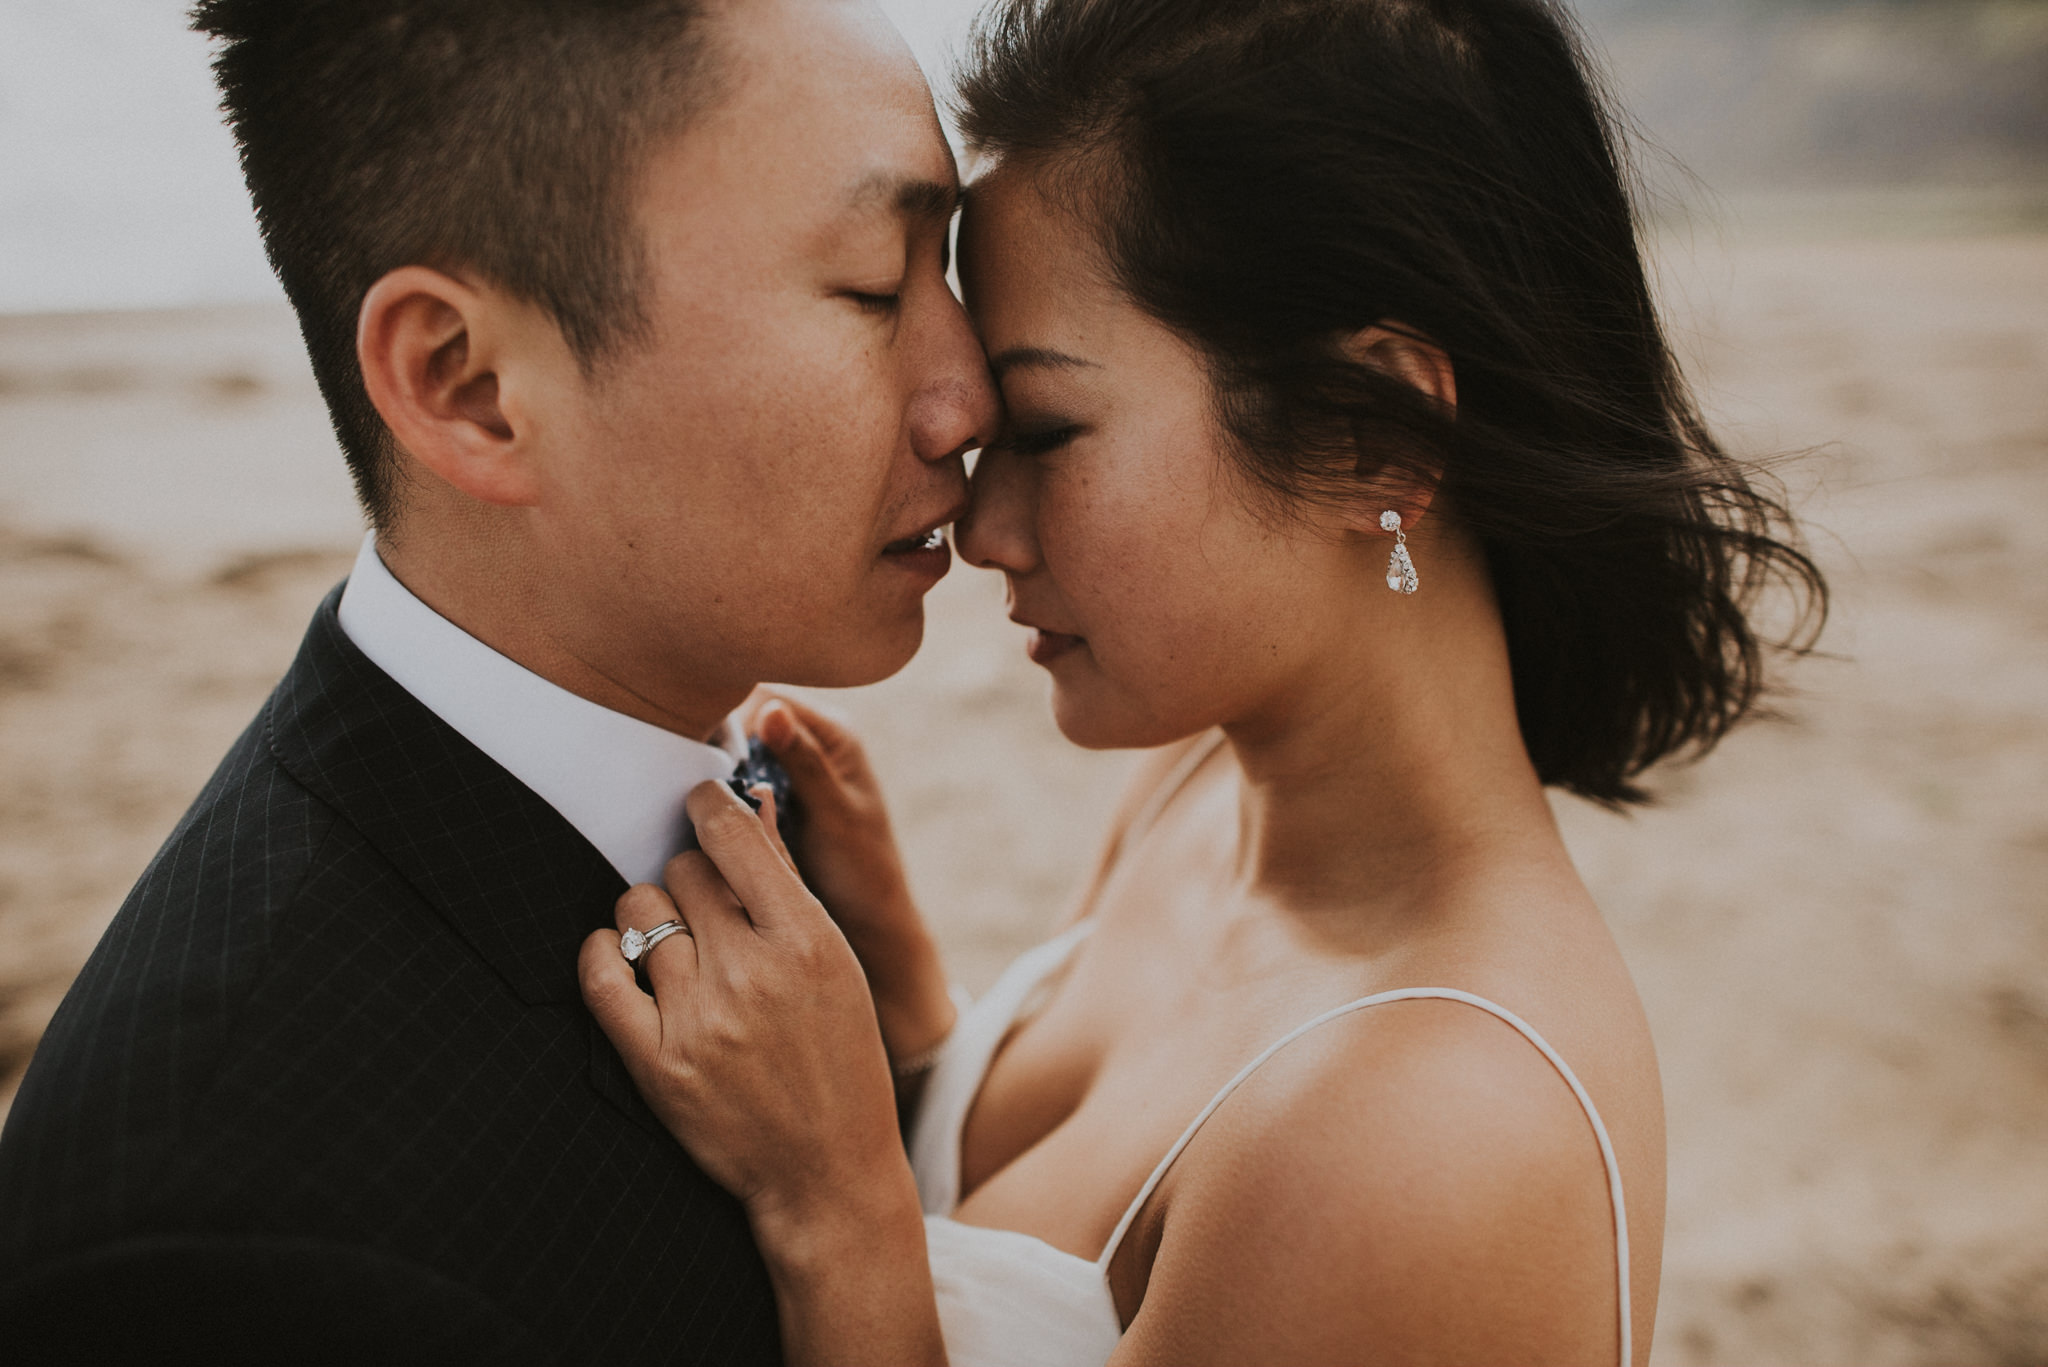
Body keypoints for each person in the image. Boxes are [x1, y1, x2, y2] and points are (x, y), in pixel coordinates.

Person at [580, 0, 1828, 1363]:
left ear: (1372, 439)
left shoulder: (1429, 1138)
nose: (981, 528)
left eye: (1047, 430)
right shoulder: (1203, 787)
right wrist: (913, 1020)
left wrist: (832, 1208)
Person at [0, 0, 994, 1361]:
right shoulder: (230, 1254)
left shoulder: (762, 796)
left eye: (956, 271)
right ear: (469, 387)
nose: (970, 397)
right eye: (879, 286)